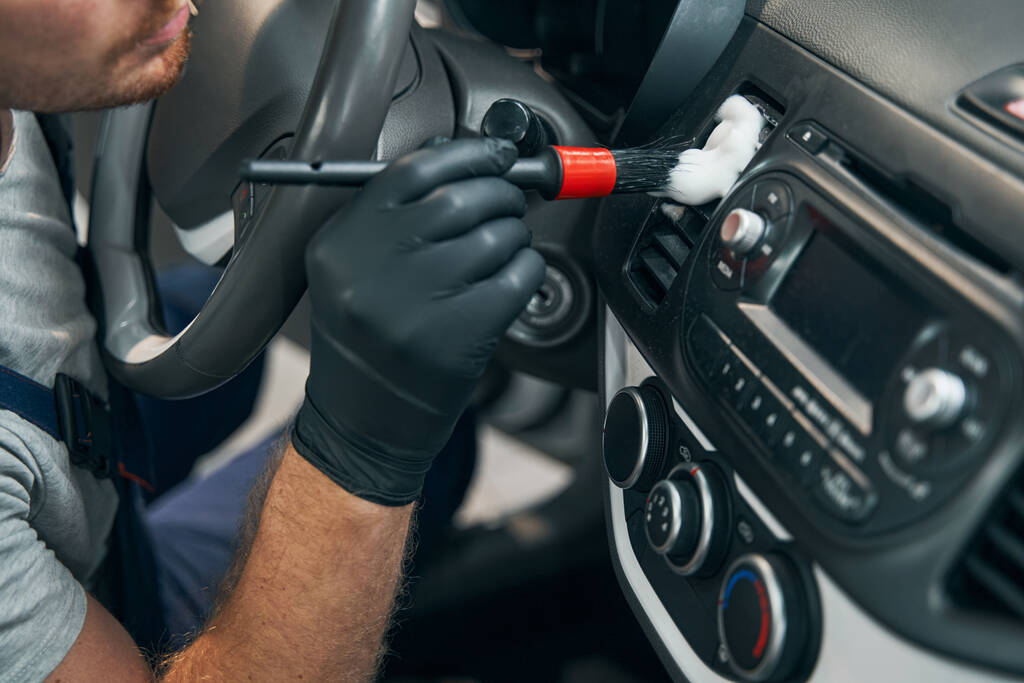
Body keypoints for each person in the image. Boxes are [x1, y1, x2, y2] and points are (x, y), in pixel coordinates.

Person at [0, 1, 546, 680]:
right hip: (106, 608)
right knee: (442, 453)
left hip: (72, 443)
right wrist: (361, 445)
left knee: (220, 332)